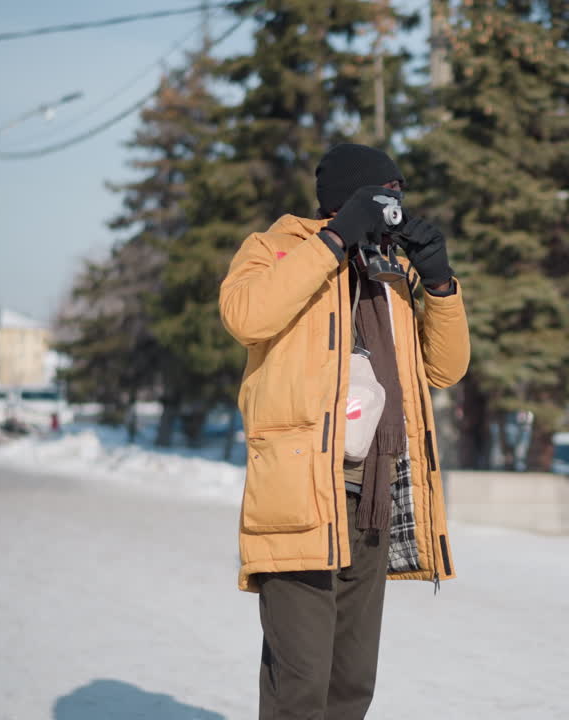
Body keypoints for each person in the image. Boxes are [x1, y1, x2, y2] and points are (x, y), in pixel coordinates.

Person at [219, 143, 469, 719]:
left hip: (375, 499)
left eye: (398, 199)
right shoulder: (273, 251)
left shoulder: (393, 273)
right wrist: (332, 243)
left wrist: (439, 284)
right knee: (300, 687)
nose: (393, 211)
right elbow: (246, 316)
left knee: (351, 685)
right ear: (349, 201)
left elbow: (444, 369)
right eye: (383, 198)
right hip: (303, 494)